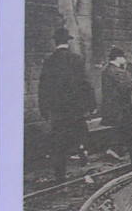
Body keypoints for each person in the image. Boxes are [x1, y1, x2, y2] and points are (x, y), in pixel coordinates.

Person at [38, 27, 97, 181]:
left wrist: (44, 109)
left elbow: (43, 88)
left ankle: (60, 176)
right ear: (68, 42)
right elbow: (86, 84)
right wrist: (91, 105)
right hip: (76, 109)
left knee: (59, 142)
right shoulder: (76, 59)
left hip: (58, 111)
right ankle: (84, 161)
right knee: (80, 135)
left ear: (55, 42)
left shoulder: (49, 62)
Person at [100, 47, 132, 161]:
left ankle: (115, 150)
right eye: (123, 57)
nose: (124, 60)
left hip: (111, 105)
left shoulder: (107, 70)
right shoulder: (118, 72)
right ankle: (114, 150)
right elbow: (126, 87)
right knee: (120, 128)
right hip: (119, 106)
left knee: (117, 128)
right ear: (118, 57)